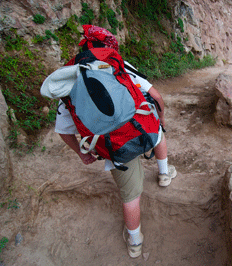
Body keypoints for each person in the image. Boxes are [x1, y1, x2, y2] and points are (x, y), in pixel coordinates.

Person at [54, 25, 177, 258]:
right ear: (108, 49)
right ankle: (163, 174)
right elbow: (157, 97)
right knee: (157, 129)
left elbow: (63, 130)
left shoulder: (70, 79)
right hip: (142, 128)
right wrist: (159, 120)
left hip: (114, 146)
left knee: (131, 196)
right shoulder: (118, 65)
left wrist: (82, 154)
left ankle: (135, 242)